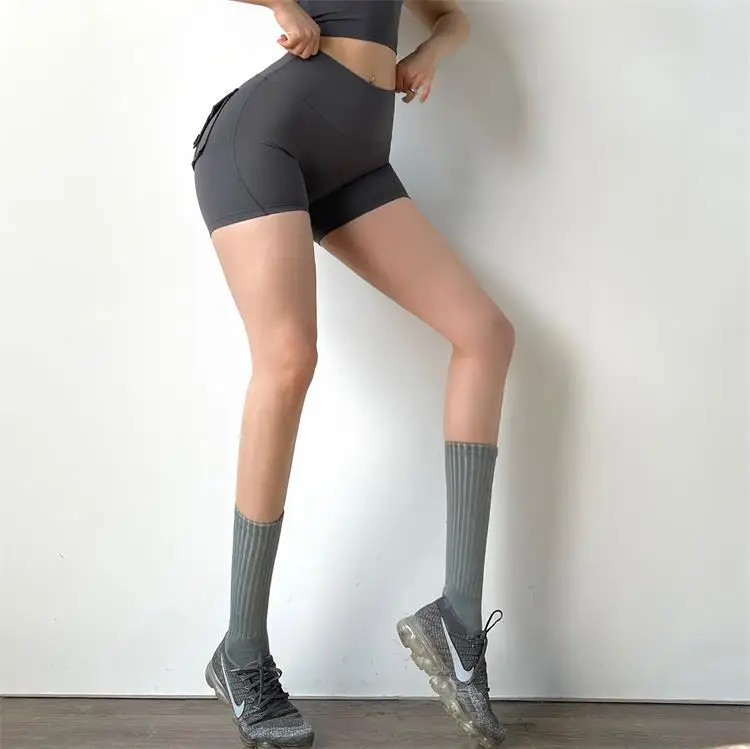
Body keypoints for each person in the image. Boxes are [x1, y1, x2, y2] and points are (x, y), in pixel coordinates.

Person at [193, 1, 515, 746]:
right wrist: (282, 4)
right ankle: (242, 651)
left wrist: (431, 52)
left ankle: (457, 620)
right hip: (265, 138)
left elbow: (451, 16)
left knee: (485, 335)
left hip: (360, 157)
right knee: (288, 360)